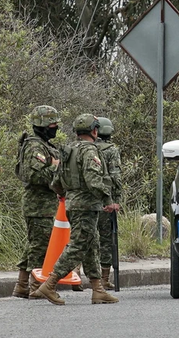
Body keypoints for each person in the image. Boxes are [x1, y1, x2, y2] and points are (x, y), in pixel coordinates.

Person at [31, 114, 120, 305]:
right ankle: (50, 283)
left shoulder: (69, 149)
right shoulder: (90, 151)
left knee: (91, 245)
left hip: (73, 203)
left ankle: (98, 289)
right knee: (79, 246)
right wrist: (108, 199)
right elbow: (93, 180)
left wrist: (62, 192)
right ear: (94, 130)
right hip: (86, 205)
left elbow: (56, 179)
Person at [12, 105, 61, 299]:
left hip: (45, 206)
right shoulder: (34, 146)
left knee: (35, 244)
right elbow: (34, 175)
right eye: (52, 123)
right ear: (42, 124)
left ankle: (22, 285)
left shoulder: (44, 145)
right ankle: (36, 286)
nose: (55, 127)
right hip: (39, 206)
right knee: (41, 247)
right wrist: (56, 168)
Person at [95, 117, 122, 290]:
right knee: (106, 239)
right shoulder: (111, 151)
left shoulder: (85, 148)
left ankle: (76, 273)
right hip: (106, 200)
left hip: (85, 200)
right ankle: (104, 278)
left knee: (83, 238)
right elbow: (115, 177)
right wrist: (116, 200)